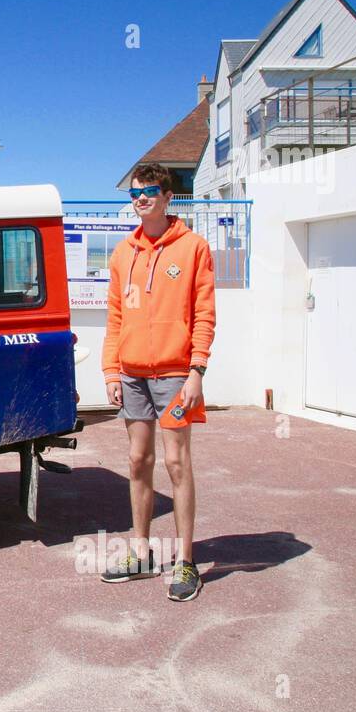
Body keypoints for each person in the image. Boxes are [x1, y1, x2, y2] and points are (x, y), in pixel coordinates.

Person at [99, 163, 216, 601]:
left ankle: (186, 561)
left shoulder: (194, 248)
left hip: (174, 374)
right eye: (134, 193)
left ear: (168, 197)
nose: (141, 198)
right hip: (132, 375)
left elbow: (204, 315)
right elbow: (115, 318)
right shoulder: (121, 253)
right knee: (137, 461)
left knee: (177, 464)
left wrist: (197, 370)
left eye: (149, 191)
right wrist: (112, 371)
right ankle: (141, 551)